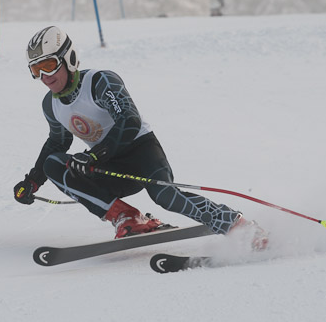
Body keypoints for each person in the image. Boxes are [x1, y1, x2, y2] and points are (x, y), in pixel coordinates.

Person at [14, 26, 267, 248]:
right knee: (54, 164)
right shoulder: (52, 104)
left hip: (141, 152)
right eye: (36, 69)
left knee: (165, 197)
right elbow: (57, 143)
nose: (44, 77)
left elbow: (129, 120)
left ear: (68, 58)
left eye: (48, 65)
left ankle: (237, 225)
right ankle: (128, 218)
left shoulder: (99, 82)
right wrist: (33, 181)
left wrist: (93, 154)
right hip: (106, 166)